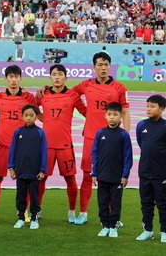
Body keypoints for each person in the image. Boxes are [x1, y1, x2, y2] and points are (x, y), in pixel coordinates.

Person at [71, 52, 130, 225]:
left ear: (110, 66)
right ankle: (83, 213)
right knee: (88, 175)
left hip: (114, 138)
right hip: (91, 137)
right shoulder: (86, 84)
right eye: (99, 64)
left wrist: (125, 135)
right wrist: (85, 112)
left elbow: (125, 112)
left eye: (106, 64)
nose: (103, 68)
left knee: (113, 177)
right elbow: (70, 95)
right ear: (94, 66)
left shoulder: (119, 88)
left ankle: (114, 216)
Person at [0, 65, 37, 221]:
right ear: (5, 79)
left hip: (23, 147)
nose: (13, 80)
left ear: (20, 78)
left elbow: (40, 114)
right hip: (3, 145)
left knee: (25, 181)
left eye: (16, 77)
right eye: (10, 77)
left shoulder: (29, 97)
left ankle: (24, 211)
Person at [37, 64, 86, 223]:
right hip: (46, 146)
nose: (57, 77)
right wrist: (43, 119)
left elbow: (86, 112)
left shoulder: (72, 95)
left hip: (65, 146)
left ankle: (72, 211)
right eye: (54, 74)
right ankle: (37, 209)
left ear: (66, 77)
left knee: (70, 179)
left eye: (60, 74)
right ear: (50, 78)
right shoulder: (43, 94)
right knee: (41, 178)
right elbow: (30, 107)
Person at [91, 102, 133, 238]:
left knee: (115, 203)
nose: (112, 117)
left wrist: (125, 175)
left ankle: (113, 226)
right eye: (109, 114)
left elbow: (128, 156)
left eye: (115, 115)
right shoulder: (100, 133)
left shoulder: (124, 135)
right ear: (105, 116)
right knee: (102, 202)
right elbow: (95, 154)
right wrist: (95, 173)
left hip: (117, 176)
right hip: (102, 175)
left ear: (121, 116)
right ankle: (105, 225)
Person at [8, 104, 47, 230]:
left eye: (31, 115)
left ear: (36, 117)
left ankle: (34, 218)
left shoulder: (40, 132)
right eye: (26, 115)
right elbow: (12, 150)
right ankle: (20, 217)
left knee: (34, 196)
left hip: (34, 172)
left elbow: (44, 152)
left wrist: (42, 170)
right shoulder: (18, 132)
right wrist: (11, 167)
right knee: (20, 195)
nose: (28, 118)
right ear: (22, 116)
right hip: (20, 171)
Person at [135, 95, 166, 242]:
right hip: (145, 173)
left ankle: (164, 232)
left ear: (162, 109)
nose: (148, 109)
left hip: (161, 175)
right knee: (146, 204)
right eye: (147, 105)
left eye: (152, 106)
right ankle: (147, 230)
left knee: (163, 204)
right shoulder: (141, 125)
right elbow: (142, 144)